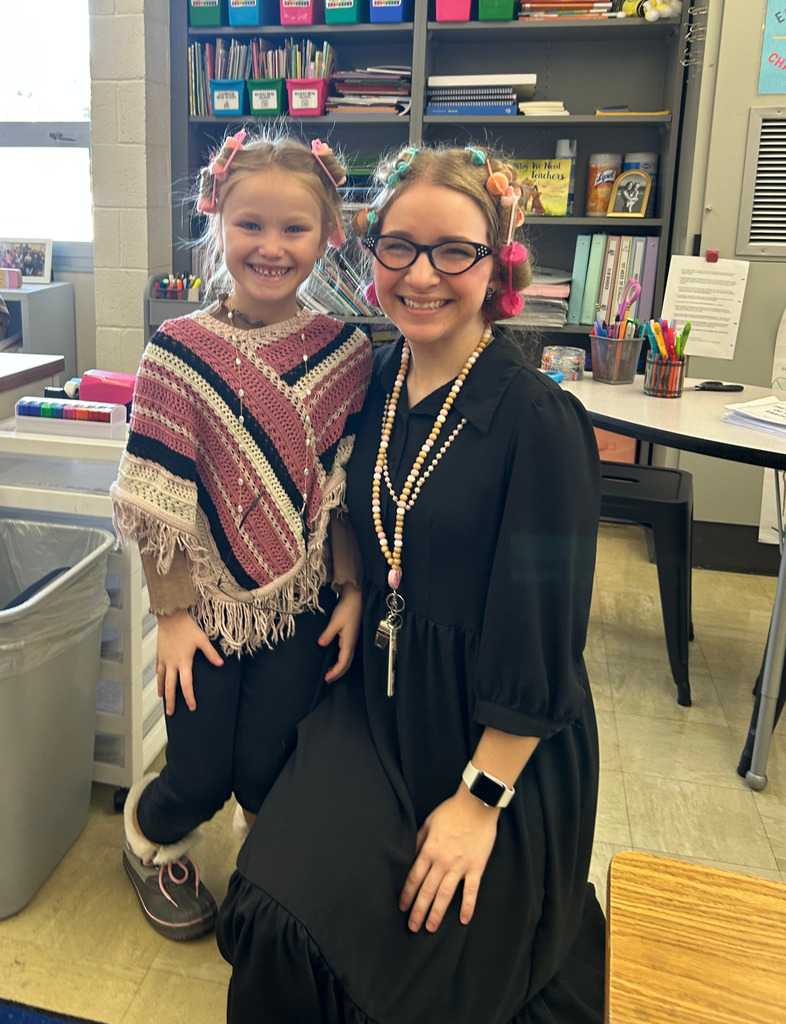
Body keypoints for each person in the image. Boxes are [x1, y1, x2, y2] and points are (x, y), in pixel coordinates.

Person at [215, 143, 605, 1023]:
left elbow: (543, 635)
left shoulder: (540, 423)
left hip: (495, 733)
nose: (421, 275)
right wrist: (354, 590)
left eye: (453, 251)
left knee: (418, 963)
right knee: (276, 911)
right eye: (399, 247)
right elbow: (348, 512)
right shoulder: (374, 374)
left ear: (498, 266)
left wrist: (479, 802)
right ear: (370, 253)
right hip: (379, 700)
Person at [110, 128, 372, 941]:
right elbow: (158, 500)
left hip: (299, 601)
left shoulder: (347, 352)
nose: (270, 246)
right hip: (205, 610)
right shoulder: (177, 352)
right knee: (198, 769)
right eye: (250, 224)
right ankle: (151, 840)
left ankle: (267, 868)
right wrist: (176, 616)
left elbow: (342, 492)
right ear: (217, 219)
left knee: (269, 764)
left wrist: (354, 589)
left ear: (329, 235)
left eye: (294, 228)